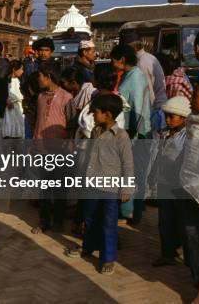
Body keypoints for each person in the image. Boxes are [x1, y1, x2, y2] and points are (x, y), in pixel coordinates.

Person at [66, 93, 134, 275]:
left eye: (95, 112)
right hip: (91, 184)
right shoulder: (96, 132)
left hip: (110, 189)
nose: (93, 116)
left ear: (108, 115)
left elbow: (128, 164)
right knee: (89, 218)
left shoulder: (122, 137)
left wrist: (127, 188)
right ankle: (88, 247)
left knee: (108, 223)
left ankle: (108, 258)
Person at [110, 43, 152, 225]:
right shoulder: (128, 75)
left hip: (135, 134)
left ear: (122, 59)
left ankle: (133, 212)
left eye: (114, 59)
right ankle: (129, 209)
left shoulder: (135, 77)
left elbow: (139, 108)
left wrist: (133, 133)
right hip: (128, 132)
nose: (112, 63)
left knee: (133, 173)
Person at [146, 96, 189, 267]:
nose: (169, 120)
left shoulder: (187, 137)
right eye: (167, 116)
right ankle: (167, 253)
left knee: (182, 220)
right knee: (165, 221)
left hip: (179, 185)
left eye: (173, 116)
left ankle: (182, 249)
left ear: (184, 118)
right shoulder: (162, 134)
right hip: (163, 183)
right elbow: (154, 158)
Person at [32, 61, 72, 234]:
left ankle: (58, 222)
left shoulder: (67, 97)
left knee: (60, 188)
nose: (38, 79)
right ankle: (44, 221)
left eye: (40, 76)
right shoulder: (40, 97)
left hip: (60, 149)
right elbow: (38, 122)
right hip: (42, 149)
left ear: (48, 77)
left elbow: (70, 124)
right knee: (44, 188)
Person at [179, 79, 199, 303]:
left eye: (196, 94)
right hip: (190, 188)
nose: (191, 98)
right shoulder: (192, 123)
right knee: (191, 235)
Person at [121, 32, 167, 131]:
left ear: (131, 47)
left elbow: (148, 92)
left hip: (153, 110)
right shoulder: (149, 57)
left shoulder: (141, 63)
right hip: (158, 108)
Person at [0, 60, 25, 139]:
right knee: (9, 129)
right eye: (21, 69)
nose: (22, 71)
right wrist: (6, 100)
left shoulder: (18, 80)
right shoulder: (6, 80)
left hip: (18, 108)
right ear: (14, 69)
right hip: (9, 109)